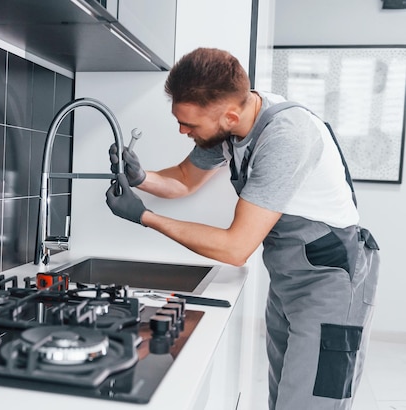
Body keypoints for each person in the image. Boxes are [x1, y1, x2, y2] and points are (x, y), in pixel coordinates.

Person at [105, 47, 380, 410]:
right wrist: (141, 178)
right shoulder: (234, 123)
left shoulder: (286, 138)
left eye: (190, 125)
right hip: (289, 279)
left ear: (230, 116)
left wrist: (145, 217)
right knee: (284, 396)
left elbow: (236, 248)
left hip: (332, 282)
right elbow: (186, 179)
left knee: (313, 403)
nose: (182, 130)